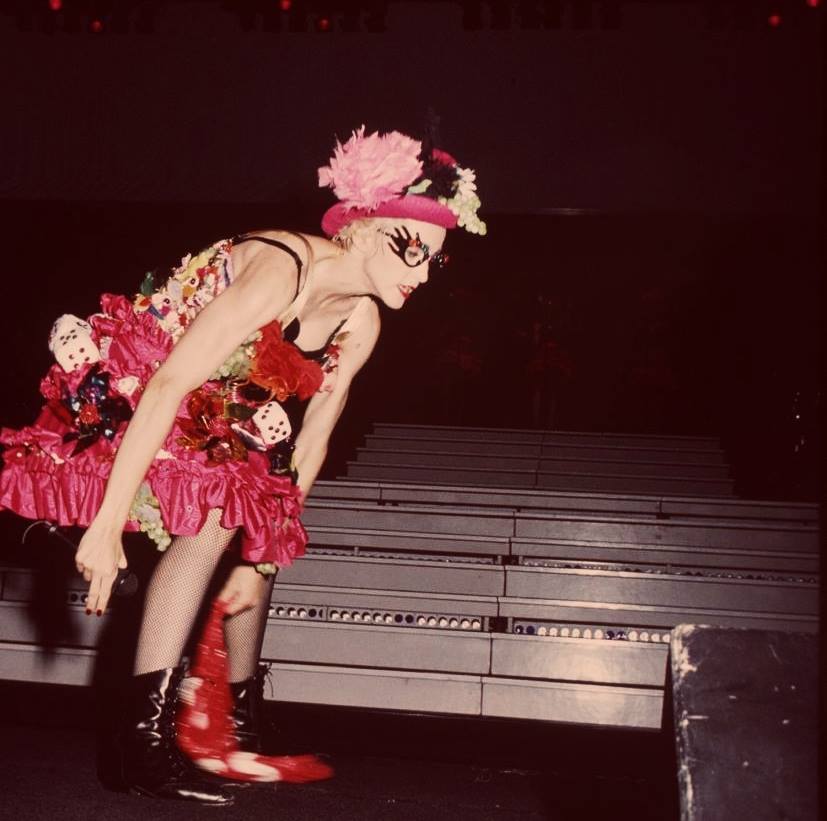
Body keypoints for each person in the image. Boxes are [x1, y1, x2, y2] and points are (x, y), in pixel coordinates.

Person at [0, 125, 485, 805]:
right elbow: (169, 385)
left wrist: (261, 564)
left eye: (436, 260)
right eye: (413, 251)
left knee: (255, 512)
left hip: (224, 403)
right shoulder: (281, 270)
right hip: (148, 378)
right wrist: (106, 526)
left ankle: (237, 721)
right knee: (219, 513)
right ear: (366, 229)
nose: (422, 275)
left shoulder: (362, 322)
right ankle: (139, 746)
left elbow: (309, 445)